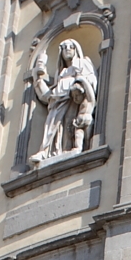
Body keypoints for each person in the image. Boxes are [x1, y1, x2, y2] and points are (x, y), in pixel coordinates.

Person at [30, 37, 97, 165]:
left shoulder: (82, 63)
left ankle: (68, 148)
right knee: (52, 125)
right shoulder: (61, 72)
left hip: (73, 100)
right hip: (56, 102)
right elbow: (48, 95)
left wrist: (79, 83)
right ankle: (47, 151)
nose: (67, 50)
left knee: (69, 125)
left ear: (76, 49)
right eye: (64, 47)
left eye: (70, 47)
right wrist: (38, 79)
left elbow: (91, 81)